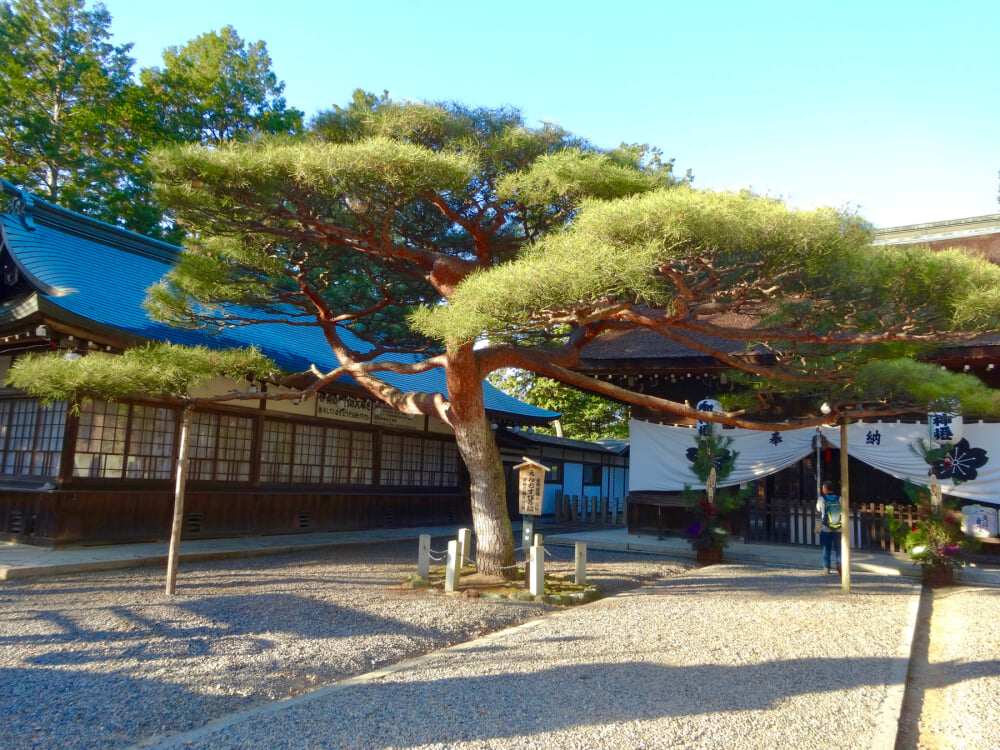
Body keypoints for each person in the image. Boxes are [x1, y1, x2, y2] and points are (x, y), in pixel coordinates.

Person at [817, 480, 842, 576]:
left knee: (826, 548)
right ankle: (839, 564)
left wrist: (818, 526)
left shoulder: (821, 499)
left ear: (825, 488)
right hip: (838, 527)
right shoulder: (839, 498)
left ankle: (826, 568)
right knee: (838, 548)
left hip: (826, 527)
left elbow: (819, 512)